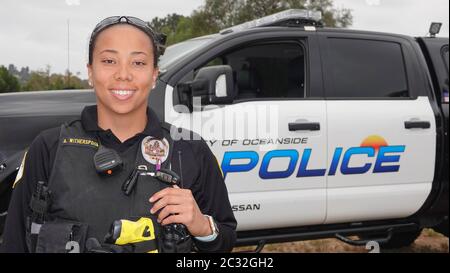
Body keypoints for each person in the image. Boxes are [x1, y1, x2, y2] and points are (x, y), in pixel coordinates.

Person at [1, 16, 236, 253]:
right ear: (90, 72)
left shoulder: (191, 149)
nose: (123, 74)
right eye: (109, 60)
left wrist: (202, 226)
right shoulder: (48, 148)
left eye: (138, 63)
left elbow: (224, 240)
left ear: (154, 74)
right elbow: (15, 241)